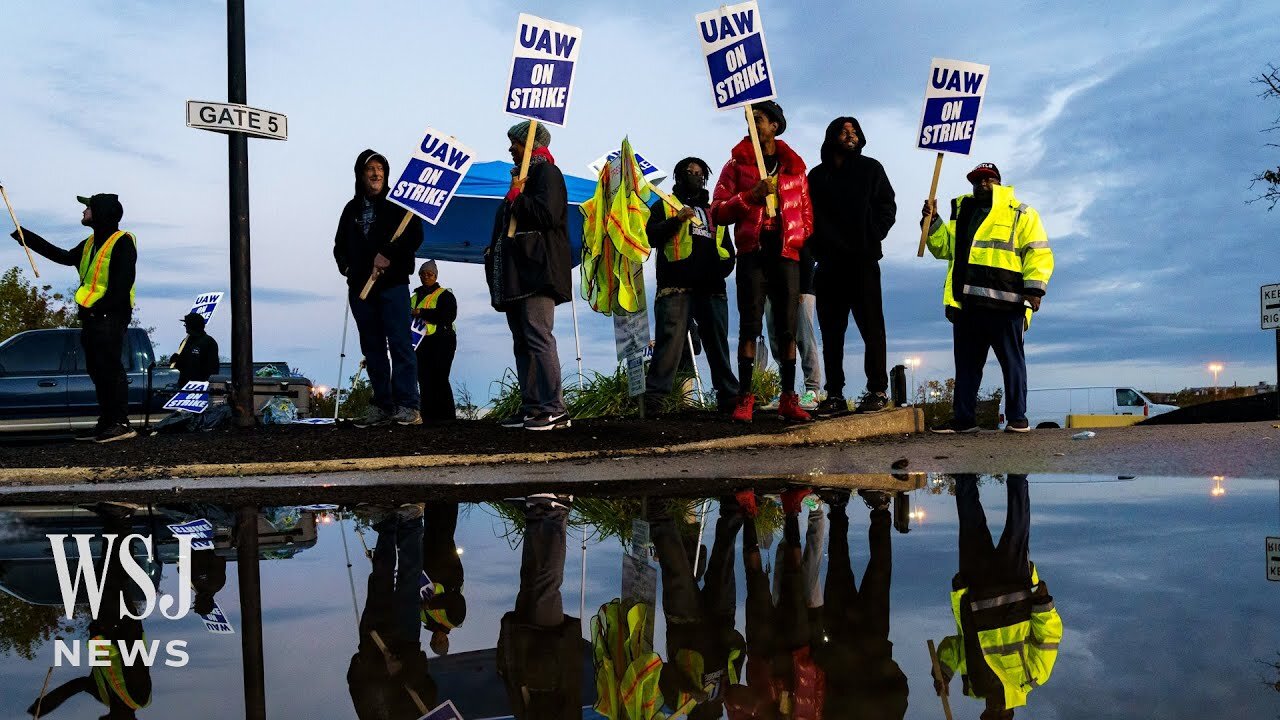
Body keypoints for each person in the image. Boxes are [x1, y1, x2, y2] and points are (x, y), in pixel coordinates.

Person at [923, 163, 1053, 434]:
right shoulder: (963, 213)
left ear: (1000, 183)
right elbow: (946, 249)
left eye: (988, 179)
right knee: (967, 369)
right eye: (976, 180)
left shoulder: (1021, 213)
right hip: (968, 304)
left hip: (1007, 303)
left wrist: (1035, 289)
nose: (982, 184)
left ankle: (1018, 419)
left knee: (1013, 365)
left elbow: (1038, 252)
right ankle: (963, 420)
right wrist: (932, 222)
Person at [711, 101, 815, 423]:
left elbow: (807, 217)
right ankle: (745, 399)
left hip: (785, 255)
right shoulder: (736, 165)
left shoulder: (796, 170)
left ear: (774, 125)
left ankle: (787, 397)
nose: (751, 124)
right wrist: (749, 197)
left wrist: (795, 237)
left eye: (757, 119)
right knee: (749, 327)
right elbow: (717, 210)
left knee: (788, 329)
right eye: (748, 119)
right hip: (752, 254)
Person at [933, 475, 1062, 719]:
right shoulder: (1033, 678)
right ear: (1008, 715)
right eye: (998, 717)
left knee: (970, 524)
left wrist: (943, 671)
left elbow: (957, 645)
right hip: (1014, 588)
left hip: (975, 590)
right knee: (1017, 526)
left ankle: (964, 478)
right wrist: (1043, 603)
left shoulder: (974, 686)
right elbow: (1049, 636)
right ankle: (1016, 476)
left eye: (988, 717)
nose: (992, 711)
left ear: (983, 716)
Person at [12, 193, 137, 442]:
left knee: (110, 368)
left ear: (100, 212)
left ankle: (121, 423)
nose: (83, 212)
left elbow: (123, 283)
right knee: (97, 369)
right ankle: (107, 422)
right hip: (92, 316)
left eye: (88, 208)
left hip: (111, 314)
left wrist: (100, 307)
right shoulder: (90, 243)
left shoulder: (123, 240)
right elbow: (62, 256)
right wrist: (25, 237)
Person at [485, 122, 573, 431]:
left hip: (537, 270)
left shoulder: (547, 174)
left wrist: (518, 198)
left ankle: (554, 408)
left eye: (516, 144)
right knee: (522, 341)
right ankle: (532, 406)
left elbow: (548, 215)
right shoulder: (522, 180)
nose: (511, 148)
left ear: (532, 145)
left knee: (538, 336)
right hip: (517, 274)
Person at [808, 117, 898, 417]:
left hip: (862, 262)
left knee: (872, 329)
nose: (851, 135)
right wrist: (814, 250)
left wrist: (871, 234)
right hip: (829, 265)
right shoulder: (816, 177)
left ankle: (877, 390)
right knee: (832, 334)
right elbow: (807, 217)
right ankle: (834, 395)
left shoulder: (871, 169)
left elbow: (887, 206)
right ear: (832, 135)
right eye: (845, 131)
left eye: (855, 131)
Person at [334, 149, 424, 428]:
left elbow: (414, 236)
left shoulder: (399, 206)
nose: (375, 174)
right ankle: (384, 405)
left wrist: (390, 254)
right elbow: (339, 246)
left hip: (393, 285)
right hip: (362, 291)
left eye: (380, 169)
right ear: (360, 175)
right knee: (372, 349)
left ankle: (408, 405)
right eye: (370, 169)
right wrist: (348, 268)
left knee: (400, 344)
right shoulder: (351, 209)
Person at [644, 157, 739, 415]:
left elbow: (728, 251)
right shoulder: (665, 205)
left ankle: (729, 397)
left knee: (717, 343)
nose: (695, 176)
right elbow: (650, 237)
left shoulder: (714, 212)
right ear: (678, 176)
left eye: (700, 173)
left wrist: (719, 270)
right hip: (675, 285)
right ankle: (656, 400)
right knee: (669, 342)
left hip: (711, 286)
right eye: (689, 172)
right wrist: (676, 221)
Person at [815, 489, 908, 720]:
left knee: (839, 566)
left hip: (843, 638)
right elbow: (899, 688)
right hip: (869, 637)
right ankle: (880, 509)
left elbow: (821, 694)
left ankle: (838, 507)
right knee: (877, 569)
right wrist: (882, 664)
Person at [764, 244, 821, 410]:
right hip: (773, 289)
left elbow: (808, 252)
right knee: (777, 341)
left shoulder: (800, 219)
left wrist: (804, 289)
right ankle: (786, 392)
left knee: (804, 339)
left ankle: (813, 392)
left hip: (801, 289)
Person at [410, 260, 458, 422]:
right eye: (422, 274)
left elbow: (448, 316)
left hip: (443, 341)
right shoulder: (414, 296)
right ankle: (428, 415)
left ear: (435, 276)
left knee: (440, 377)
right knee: (423, 378)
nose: (425, 277)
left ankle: (447, 416)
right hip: (420, 342)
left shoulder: (445, 295)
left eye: (429, 274)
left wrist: (421, 312)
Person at [420, 501, 465, 656]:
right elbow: (456, 599)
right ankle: (449, 500)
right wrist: (430, 604)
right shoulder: (455, 620)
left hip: (428, 568)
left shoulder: (425, 620)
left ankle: (431, 502)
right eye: (440, 642)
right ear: (446, 640)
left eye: (434, 642)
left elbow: (417, 600)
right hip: (449, 571)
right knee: (444, 534)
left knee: (429, 532)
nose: (436, 639)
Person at [173, 312, 219, 386]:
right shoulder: (185, 342)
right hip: (184, 385)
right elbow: (181, 367)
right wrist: (176, 361)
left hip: (201, 386)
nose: (185, 326)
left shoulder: (209, 342)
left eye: (186, 324)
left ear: (193, 326)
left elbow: (213, 369)